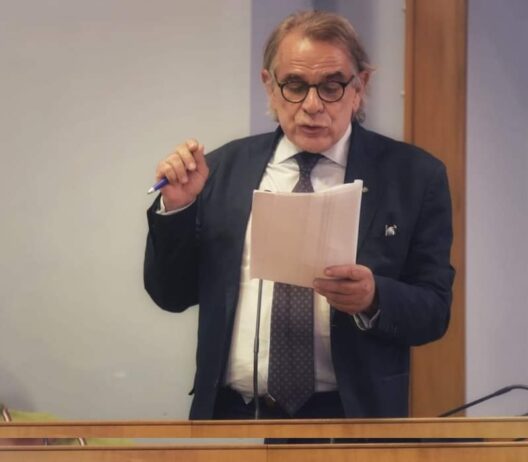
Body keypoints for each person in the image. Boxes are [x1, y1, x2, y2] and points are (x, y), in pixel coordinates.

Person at [144, 10, 454, 420]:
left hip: (350, 419)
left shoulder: (413, 176)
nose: (312, 105)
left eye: (331, 87)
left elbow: (434, 310)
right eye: (294, 85)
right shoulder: (220, 170)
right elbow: (171, 295)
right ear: (269, 86)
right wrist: (177, 209)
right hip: (235, 416)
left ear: (360, 87)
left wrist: (373, 298)